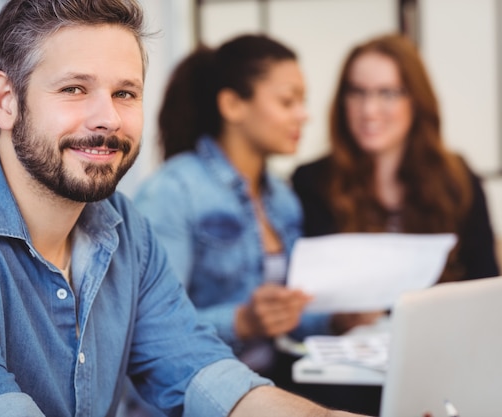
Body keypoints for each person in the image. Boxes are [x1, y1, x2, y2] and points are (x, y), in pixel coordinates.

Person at [0, 1, 369, 416]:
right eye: (75, 89)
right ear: (6, 101)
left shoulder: (124, 227)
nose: (108, 118)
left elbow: (201, 371)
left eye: (125, 93)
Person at [132, 34, 380, 393]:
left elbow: (289, 319)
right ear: (233, 105)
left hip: (265, 389)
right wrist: (242, 321)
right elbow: (151, 329)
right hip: (189, 397)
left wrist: (336, 319)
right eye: (287, 101)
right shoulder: (173, 190)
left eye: (303, 101)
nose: (303, 115)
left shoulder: (282, 197)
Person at [291, 33, 500, 283]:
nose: (369, 110)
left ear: (416, 100)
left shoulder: (457, 180)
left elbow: (486, 282)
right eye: (357, 92)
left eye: (387, 93)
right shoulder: (312, 182)